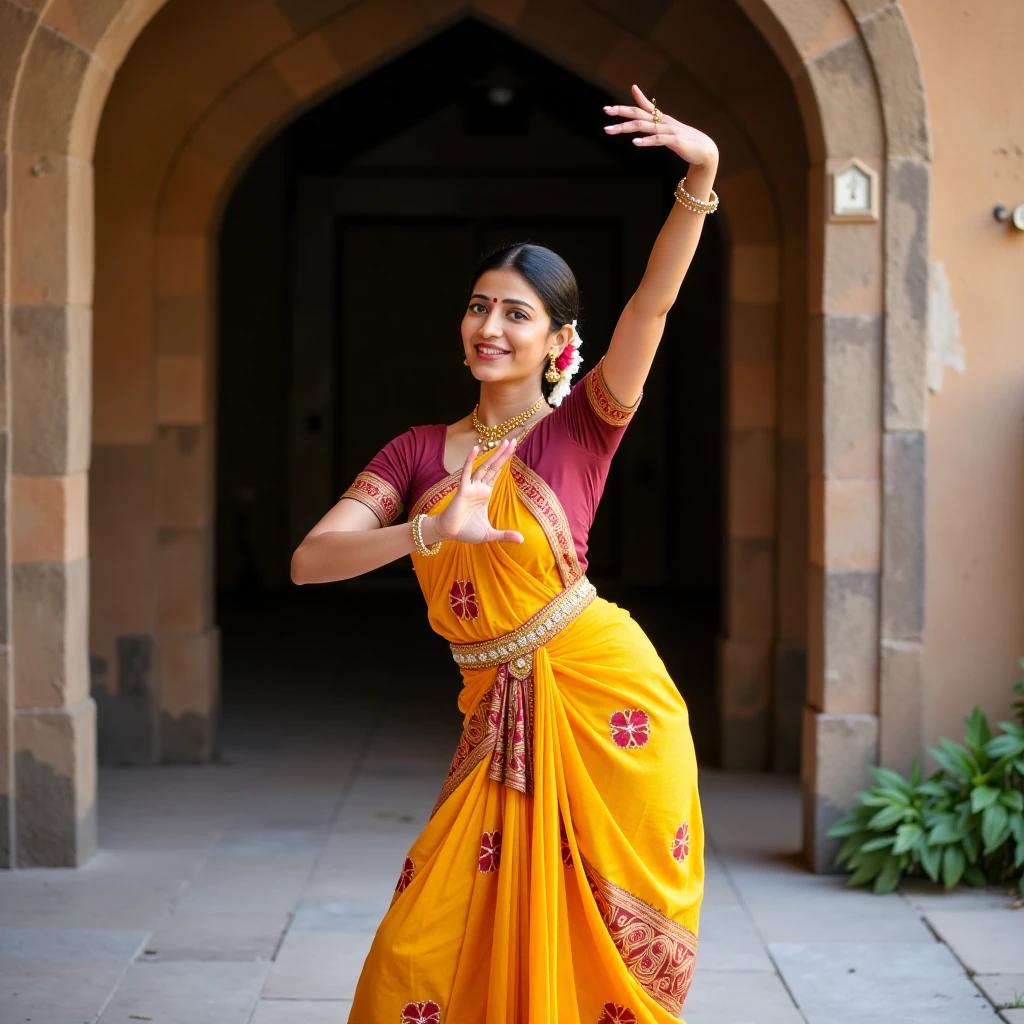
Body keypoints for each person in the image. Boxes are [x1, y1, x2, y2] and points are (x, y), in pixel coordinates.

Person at [291, 84, 719, 1024]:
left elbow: (651, 306)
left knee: (588, 945)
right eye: (480, 308)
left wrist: (701, 175)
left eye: (517, 314)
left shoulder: (583, 430)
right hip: (493, 715)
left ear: (558, 341)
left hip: (604, 703)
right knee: (424, 943)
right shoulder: (415, 455)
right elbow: (312, 560)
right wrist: (426, 532)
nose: (491, 327)